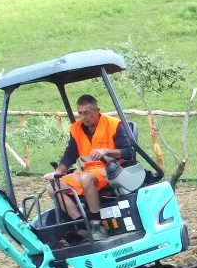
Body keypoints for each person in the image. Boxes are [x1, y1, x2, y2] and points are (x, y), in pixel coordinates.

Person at [45, 94, 135, 230]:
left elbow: (129, 152)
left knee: (85, 178)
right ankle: (82, 224)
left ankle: (96, 224)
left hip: (111, 169)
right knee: (52, 187)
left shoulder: (114, 124)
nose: (83, 117)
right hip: (88, 171)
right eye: (80, 113)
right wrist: (57, 172)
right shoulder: (76, 129)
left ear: (97, 111)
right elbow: (70, 155)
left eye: (86, 113)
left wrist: (107, 151)